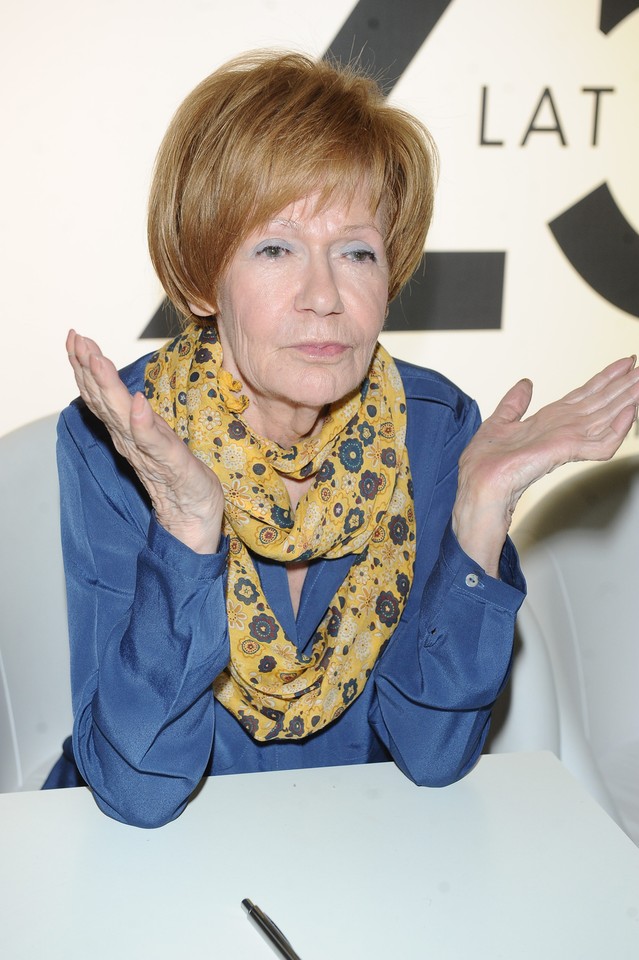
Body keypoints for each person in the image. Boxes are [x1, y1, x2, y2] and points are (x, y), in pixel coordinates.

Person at [54, 51, 639, 827]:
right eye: (275, 248)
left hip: (357, 840)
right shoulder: (121, 437)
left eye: (356, 252)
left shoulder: (432, 427)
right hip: (157, 853)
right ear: (200, 280)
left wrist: (479, 511)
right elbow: (139, 792)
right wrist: (188, 529)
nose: (324, 296)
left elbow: (431, 755)